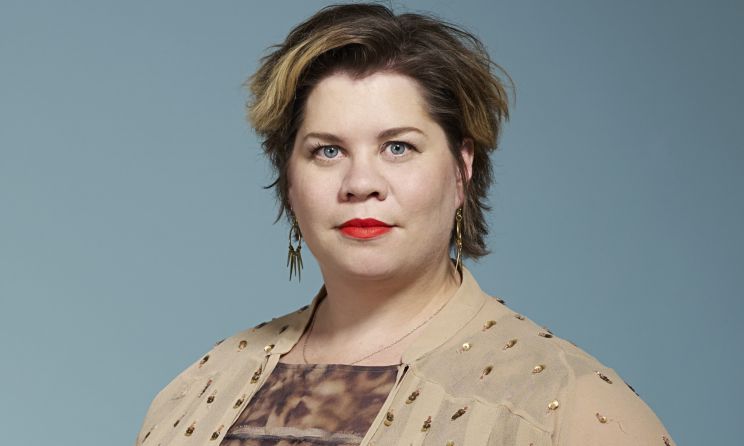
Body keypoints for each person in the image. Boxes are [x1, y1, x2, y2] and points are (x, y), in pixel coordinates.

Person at [135, 3, 674, 445]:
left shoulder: (569, 407)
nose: (360, 183)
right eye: (327, 151)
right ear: (289, 179)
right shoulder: (199, 389)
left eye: (398, 147)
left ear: (461, 169)